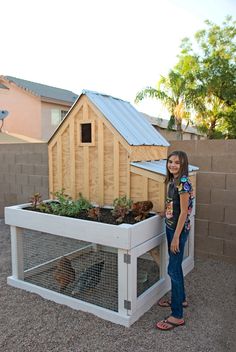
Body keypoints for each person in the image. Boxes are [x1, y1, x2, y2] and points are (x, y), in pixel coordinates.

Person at [156, 150, 194, 331]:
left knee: (173, 269)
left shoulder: (184, 183)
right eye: (170, 162)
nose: (172, 165)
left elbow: (185, 212)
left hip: (177, 231)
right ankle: (181, 299)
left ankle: (177, 315)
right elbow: (175, 205)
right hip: (171, 226)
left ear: (183, 164)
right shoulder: (172, 181)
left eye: (177, 163)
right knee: (176, 267)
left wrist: (176, 238)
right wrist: (165, 213)